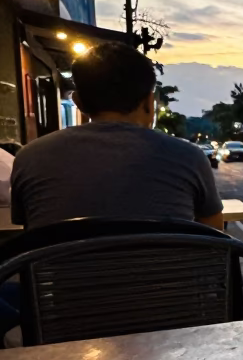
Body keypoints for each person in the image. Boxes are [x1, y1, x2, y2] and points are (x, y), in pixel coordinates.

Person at [11, 42, 224, 232]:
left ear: (78, 102)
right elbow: (214, 235)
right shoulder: (190, 157)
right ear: (149, 103)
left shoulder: (30, 157)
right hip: (170, 266)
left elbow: (28, 227)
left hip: (62, 267)